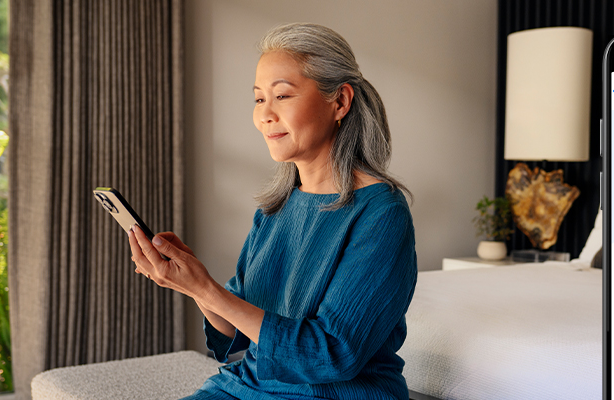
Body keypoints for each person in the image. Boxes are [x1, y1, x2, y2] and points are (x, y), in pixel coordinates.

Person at [128, 23, 417, 400]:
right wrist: (192, 282)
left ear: (340, 102)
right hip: (247, 386)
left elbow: (332, 354)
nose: (264, 114)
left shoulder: (382, 214)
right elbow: (235, 329)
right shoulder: (276, 209)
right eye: (258, 98)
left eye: (282, 95)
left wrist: (207, 289)